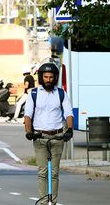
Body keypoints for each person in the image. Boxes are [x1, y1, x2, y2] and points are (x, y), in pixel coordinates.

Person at [24, 62, 74, 205]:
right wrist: (29, 131)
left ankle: (53, 202)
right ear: (41, 77)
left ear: (55, 78)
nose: (48, 80)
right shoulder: (33, 94)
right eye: (45, 77)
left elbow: (69, 113)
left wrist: (69, 130)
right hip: (40, 137)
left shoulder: (61, 93)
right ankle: (44, 202)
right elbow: (28, 115)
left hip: (57, 137)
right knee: (43, 172)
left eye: (51, 77)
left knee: (54, 173)